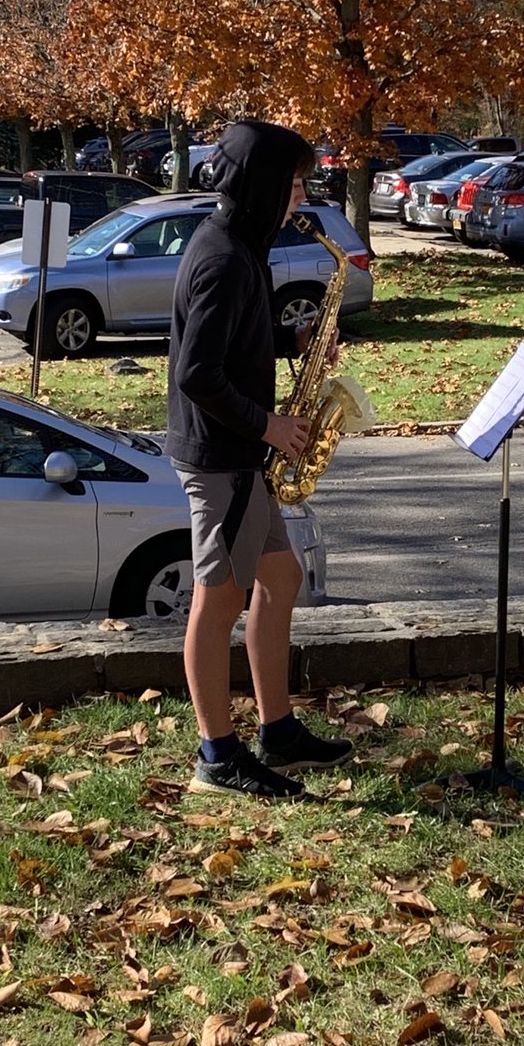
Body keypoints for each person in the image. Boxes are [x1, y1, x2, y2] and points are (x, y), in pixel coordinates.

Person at [166, 119, 353, 801]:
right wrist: (270, 425)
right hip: (224, 459)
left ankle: (277, 729)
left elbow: (237, 338)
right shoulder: (220, 257)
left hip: (242, 458)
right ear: (266, 184)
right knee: (217, 607)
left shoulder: (239, 247)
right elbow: (197, 373)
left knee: (281, 582)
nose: (300, 197)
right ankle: (216, 755)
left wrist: (294, 339)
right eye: (296, 183)